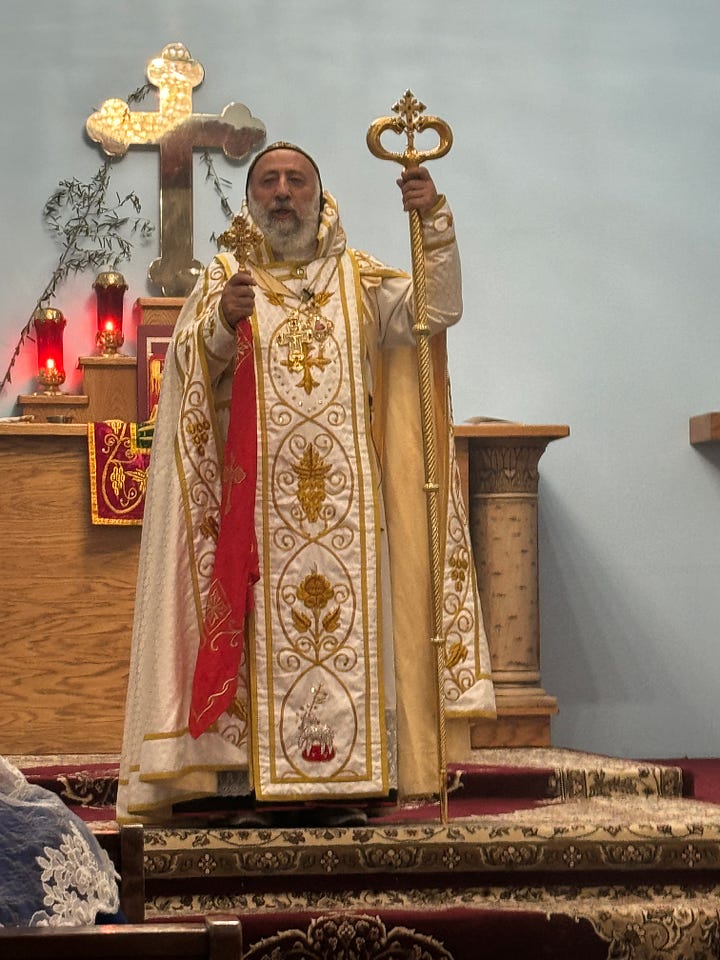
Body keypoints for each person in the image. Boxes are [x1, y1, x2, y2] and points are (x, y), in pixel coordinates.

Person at [116, 142, 495, 824]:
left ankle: (350, 786)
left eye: (297, 180)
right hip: (255, 513)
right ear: (252, 198)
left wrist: (433, 220)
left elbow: (435, 314)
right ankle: (257, 788)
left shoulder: (361, 278)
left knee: (347, 627)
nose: (283, 192)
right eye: (269, 181)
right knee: (265, 638)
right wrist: (223, 323)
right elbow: (187, 372)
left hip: (349, 511)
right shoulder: (228, 277)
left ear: (320, 195)